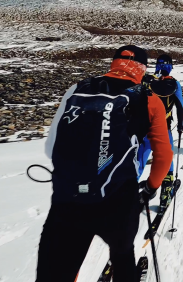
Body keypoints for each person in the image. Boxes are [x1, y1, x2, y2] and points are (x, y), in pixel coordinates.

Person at [36, 45, 172, 282]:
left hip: (68, 199)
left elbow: (50, 148)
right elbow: (164, 156)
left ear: (114, 62)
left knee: (56, 272)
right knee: (123, 256)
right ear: (142, 68)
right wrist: (150, 188)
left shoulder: (77, 89)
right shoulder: (148, 99)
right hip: (118, 199)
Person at [148, 54, 183, 209]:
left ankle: (127, 197)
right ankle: (165, 195)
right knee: (167, 159)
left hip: (143, 129)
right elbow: (180, 107)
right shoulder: (174, 84)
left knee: (139, 161)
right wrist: (181, 125)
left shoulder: (147, 81)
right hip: (163, 128)